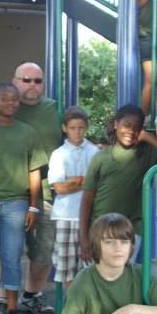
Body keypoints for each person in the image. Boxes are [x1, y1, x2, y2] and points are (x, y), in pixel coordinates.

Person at [0, 61, 62, 314]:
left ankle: (31, 295)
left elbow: (74, 133)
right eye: (25, 79)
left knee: (43, 248)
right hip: (7, 194)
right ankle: (2, 300)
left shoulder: (54, 108)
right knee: (3, 248)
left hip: (47, 191)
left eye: (37, 81)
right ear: (14, 80)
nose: (31, 85)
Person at [79, 104, 157, 261]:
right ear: (116, 124)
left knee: (121, 276)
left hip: (130, 230)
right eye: (126, 125)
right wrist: (83, 237)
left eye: (137, 128)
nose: (131, 131)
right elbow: (87, 199)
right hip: (100, 227)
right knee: (98, 275)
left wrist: (148, 137)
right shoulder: (101, 157)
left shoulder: (145, 154)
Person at [47, 106, 100, 293]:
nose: (77, 132)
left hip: (91, 215)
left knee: (91, 265)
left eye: (80, 128)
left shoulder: (94, 152)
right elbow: (59, 188)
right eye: (72, 128)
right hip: (65, 215)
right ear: (64, 128)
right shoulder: (59, 154)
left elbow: (99, 183)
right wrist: (86, 181)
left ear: (86, 128)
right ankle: (73, 310)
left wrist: (72, 180)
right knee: (67, 268)